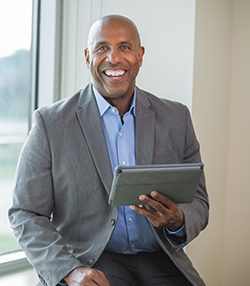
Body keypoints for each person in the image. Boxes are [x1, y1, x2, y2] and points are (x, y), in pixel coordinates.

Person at [9, 15, 209, 286]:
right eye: (102, 47)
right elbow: (25, 212)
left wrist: (177, 220)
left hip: (162, 257)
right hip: (90, 259)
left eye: (124, 47)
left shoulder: (176, 117)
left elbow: (198, 202)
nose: (114, 58)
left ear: (140, 55)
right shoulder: (50, 123)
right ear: (87, 56)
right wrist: (69, 270)